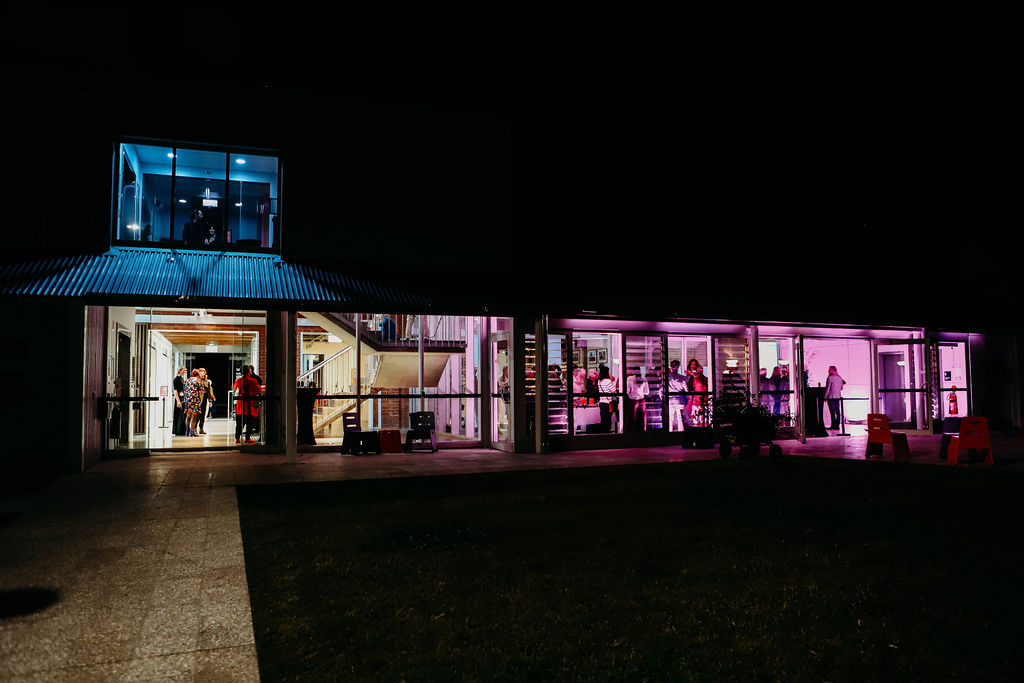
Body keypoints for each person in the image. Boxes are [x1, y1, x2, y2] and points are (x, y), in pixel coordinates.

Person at [233, 365, 261, 444]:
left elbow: (234, 388)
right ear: (249, 372)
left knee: (239, 422)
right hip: (249, 403)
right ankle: (247, 438)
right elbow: (257, 390)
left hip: (240, 403)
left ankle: (237, 438)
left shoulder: (238, 380)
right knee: (249, 421)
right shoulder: (253, 380)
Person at [667, 360, 691, 431]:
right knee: (680, 417)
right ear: (678, 367)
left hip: (671, 399)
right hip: (680, 399)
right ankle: (681, 432)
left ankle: (670, 432)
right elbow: (686, 389)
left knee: (670, 418)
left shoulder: (667, 377)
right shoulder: (682, 378)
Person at [625, 366, 649, 431]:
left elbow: (627, 391)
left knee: (633, 418)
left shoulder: (629, 378)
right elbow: (647, 392)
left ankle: (633, 433)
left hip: (632, 400)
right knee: (643, 418)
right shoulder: (644, 379)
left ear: (633, 371)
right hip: (641, 400)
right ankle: (644, 430)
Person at [182, 369, 204, 436]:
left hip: (188, 400)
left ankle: (187, 430)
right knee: (194, 417)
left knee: (188, 416)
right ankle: (192, 431)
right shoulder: (199, 381)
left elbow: (184, 390)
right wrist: (200, 401)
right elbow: (201, 393)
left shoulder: (187, 381)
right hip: (195, 400)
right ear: (198, 374)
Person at [824, 365, 846, 430]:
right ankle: (837, 425)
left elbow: (828, 389)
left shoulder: (829, 378)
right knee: (838, 411)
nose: (828, 371)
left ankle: (833, 425)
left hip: (831, 397)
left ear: (832, 370)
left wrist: (825, 397)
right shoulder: (840, 378)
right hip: (838, 396)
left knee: (832, 411)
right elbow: (841, 388)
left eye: (829, 369)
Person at [597, 364, 617, 433]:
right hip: (608, 403)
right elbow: (613, 390)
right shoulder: (608, 381)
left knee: (603, 419)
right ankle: (607, 433)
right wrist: (613, 381)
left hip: (601, 402)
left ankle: (603, 433)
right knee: (608, 420)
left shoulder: (599, 381)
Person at [687, 359, 708, 426]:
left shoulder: (704, 378)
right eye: (699, 369)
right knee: (695, 419)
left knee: (702, 419)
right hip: (696, 401)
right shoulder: (693, 377)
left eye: (702, 369)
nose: (701, 370)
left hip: (703, 401)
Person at [197, 368, 214, 435]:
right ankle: (194, 428)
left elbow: (209, 391)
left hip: (204, 399)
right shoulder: (197, 381)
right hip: (197, 399)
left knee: (203, 414)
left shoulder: (207, 381)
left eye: (203, 372)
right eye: (200, 372)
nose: (201, 373)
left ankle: (201, 428)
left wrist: (210, 401)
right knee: (197, 414)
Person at [172, 367, 187, 436]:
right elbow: (175, 391)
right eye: (184, 370)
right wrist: (178, 401)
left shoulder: (182, 378)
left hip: (182, 398)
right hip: (179, 399)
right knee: (178, 415)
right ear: (180, 370)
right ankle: (178, 431)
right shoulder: (176, 379)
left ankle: (182, 430)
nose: (185, 371)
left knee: (182, 415)